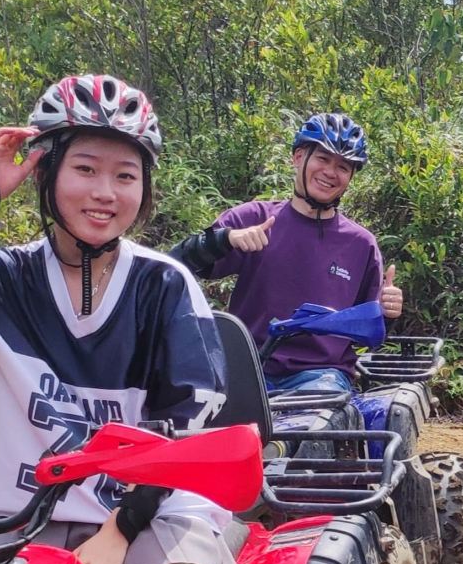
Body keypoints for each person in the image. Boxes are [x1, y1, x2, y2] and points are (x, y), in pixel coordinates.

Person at [0, 73, 244, 564]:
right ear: (47, 174)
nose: (104, 193)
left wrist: (122, 526)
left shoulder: (165, 284)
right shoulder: (2, 277)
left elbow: (190, 424)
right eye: (85, 169)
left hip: (153, 511)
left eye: (125, 175)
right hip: (20, 516)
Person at [165, 112, 403, 394]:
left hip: (321, 375)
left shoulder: (360, 244)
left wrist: (387, 312)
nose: (330, 172)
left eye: (343, 166)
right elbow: (174, 266)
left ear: (351, 176)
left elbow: (370, 329)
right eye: (323, 158)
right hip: (248, 369)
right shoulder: (253, 217)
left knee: (317, 428)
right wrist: (225, 239)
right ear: (298, 157)